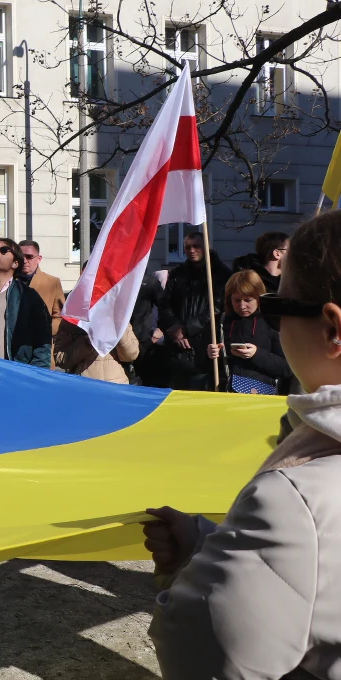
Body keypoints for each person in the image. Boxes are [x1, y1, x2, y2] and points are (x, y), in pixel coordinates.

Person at [145, 210, 341, 677]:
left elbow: (204, 653)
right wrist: (212, 545)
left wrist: (189, 576)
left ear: (333, 329)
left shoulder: (294, 500)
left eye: (279, 306)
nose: (269, 316)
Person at [158, 232, 228, 391]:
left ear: (206, 247)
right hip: (176, 349)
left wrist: (187, 329)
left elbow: (217, 308)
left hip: (204, 348)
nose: (192, 250)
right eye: (187, 247)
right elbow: (164, 305)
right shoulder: (177, 274)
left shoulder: (220, 274)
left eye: (196, 246)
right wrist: (174, 329)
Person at [206, 269, 290, 395]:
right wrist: (211, 354)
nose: (242, 306)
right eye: (237, 300)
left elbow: (287, 368)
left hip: (261, 395)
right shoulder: (222, 321)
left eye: (248, 300)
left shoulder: (272, 322)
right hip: (225, 393)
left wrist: (256, 354)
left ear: (258, 298)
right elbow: (204, 365)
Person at [0, 238, 52, 368]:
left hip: (16, 372)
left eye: (4, 250)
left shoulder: (28, 296)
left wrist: (36, 374)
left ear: (15, 263)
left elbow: (42, 341)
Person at [53, 317, 140, 384]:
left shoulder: (119, 316)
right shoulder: (73, 316)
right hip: (83, 388)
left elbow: (131, 355)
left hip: (115, 387)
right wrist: (87, 342)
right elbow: (61, 359)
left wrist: (119, 330)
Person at [18, 239, 66, 336]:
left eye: (29, 257)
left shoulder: (52, 282)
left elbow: (60, 316)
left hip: (40, 343)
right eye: (20, 256)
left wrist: (43, 330)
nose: (24, 260)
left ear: (39, 259)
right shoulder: (9, 281)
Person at [130, 272, 167, 387]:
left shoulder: (150, 282)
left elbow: (165, 307)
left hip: (143, 338)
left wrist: (160, 330)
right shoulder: (119, 279)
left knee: (143, 377)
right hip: (120, 338)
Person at [231, 230, 289, 295]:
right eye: (290, 250)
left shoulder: (291, 282)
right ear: (277, 254)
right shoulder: (246, 283)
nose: (294, 254)